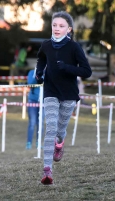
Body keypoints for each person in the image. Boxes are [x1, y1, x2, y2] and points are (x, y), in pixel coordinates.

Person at [35, 11, 92, 185]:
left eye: (61, 26)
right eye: (54, 25)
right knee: (50, 128)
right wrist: (39, 72)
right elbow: (41, 59)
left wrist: (67, 67)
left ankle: (60, 143)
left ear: (69, 29)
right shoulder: (46, 45)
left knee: (59, 131)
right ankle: (47, 171)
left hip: (68, 94)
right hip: (50, 91)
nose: (57, 28)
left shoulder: (74, 47)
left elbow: (86, 71)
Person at [26, 69, 44, 149]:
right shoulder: (31, 72)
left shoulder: (47, 72)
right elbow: (30, 84)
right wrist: (37, 76)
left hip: (43, 101)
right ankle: (29, 143)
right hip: (32, 100)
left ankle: (39, 143)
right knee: (32, 122)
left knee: (40, 123)